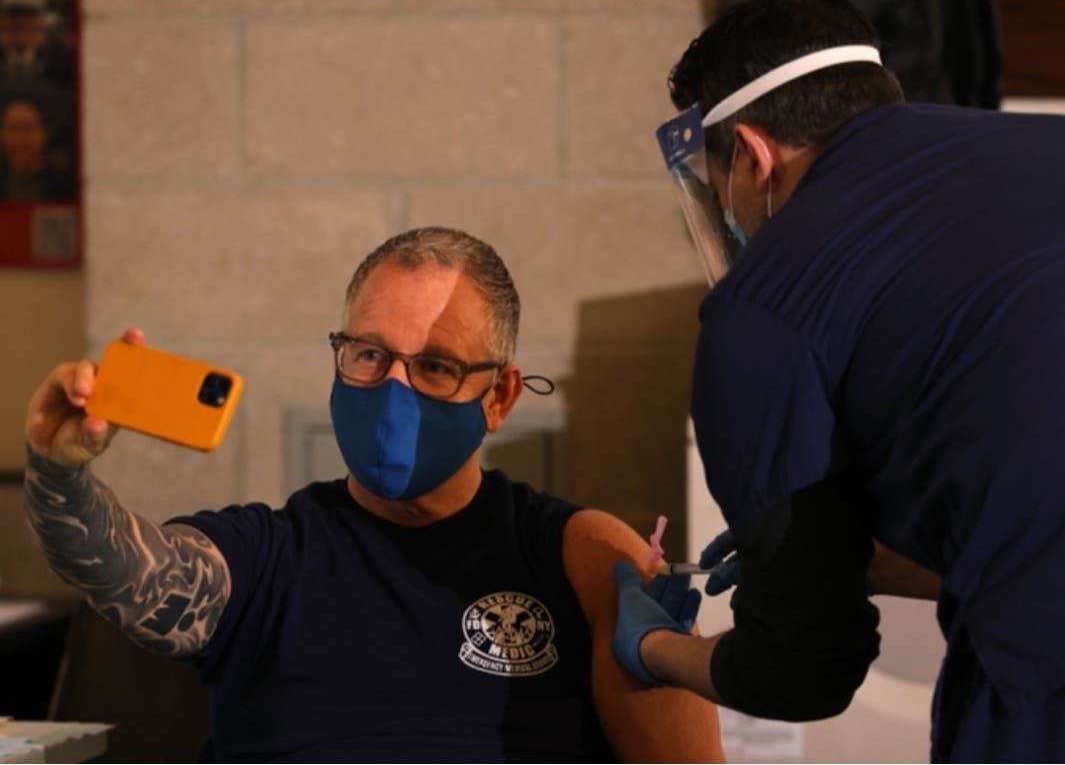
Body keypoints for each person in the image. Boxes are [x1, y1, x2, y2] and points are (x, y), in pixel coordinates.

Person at [24, 226, 723, 762]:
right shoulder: (269, 558)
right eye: (368, 355)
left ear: (499, 395)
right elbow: (133, 577)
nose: (393, 388)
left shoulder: (580, 557)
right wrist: (59, 472)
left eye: (433, 366)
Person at [610, 0, 1065, 763]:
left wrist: (652, 648)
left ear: (750, 158)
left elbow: (801, 672)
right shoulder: (1040, 148)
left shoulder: (762, 311)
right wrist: (851, 560)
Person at [0, 96, 73, 199]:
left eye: (28, 129)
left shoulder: (66, 186)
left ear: (44, 134)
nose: (19, 139)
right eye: (12, 129)